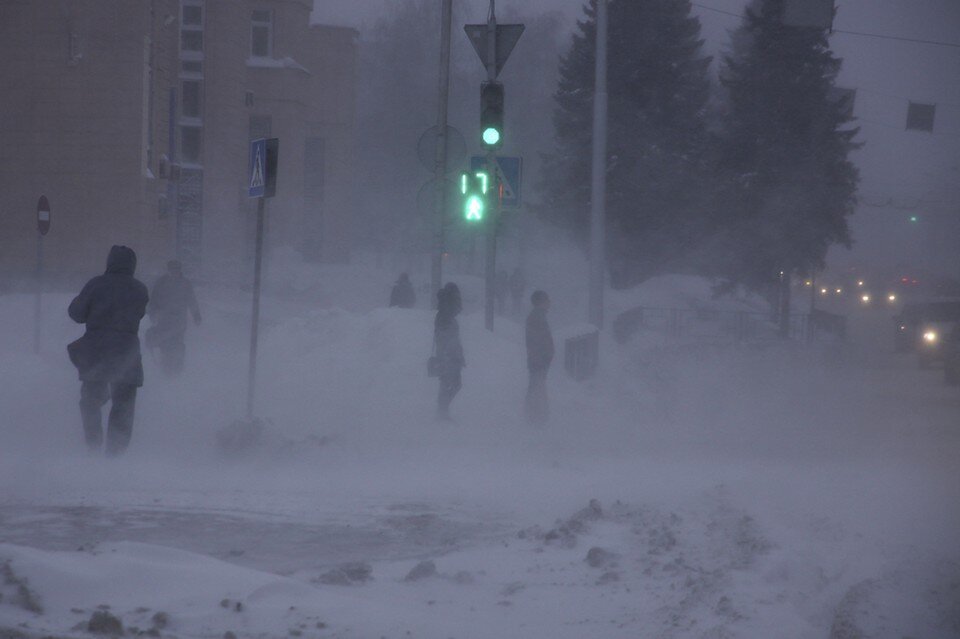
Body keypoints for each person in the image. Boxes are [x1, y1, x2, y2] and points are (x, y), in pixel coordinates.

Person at [67, 245, 149, 455]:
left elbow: (77, 314)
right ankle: (115, 454)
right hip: (127, 354)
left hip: (97, 352)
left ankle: (93, 445)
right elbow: (139, 313)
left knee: (90, 401)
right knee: (123, 405)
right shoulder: (139, 289)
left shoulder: (96, 285)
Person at [147, 260, 201, 376]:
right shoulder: (161, 283)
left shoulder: (185, 284)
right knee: (165, 344)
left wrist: (196, 315)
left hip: (179, 322)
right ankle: (166, 367)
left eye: (176, 269)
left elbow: (192, 300)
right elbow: (154, 299)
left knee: (177, 344)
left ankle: (177, 367)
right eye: (172, 269)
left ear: (179, 270)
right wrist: (152, 313)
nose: (174, 271)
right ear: (169, 269)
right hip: (164, 320)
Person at [433, 282, 465, 421]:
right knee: (452, 383)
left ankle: (442, 410)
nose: (460, 305)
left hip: (448, 355)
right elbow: (447, 337)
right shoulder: (446, 315)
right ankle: (442, 411)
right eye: (457, 300)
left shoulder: (445, 314)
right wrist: (453, 354)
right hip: (449, 356)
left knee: (448, 383)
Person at [525, 290, 554, 424]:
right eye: (547, 299)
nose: (549, 302)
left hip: (539, 360)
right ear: (541, 302)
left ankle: (535, 415)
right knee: (537, 388)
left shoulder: (538, 316)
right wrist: (543, 357)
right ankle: (535, 417)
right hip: (538, 360)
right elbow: (536, 341)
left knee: (536, 387)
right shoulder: (537, 318)